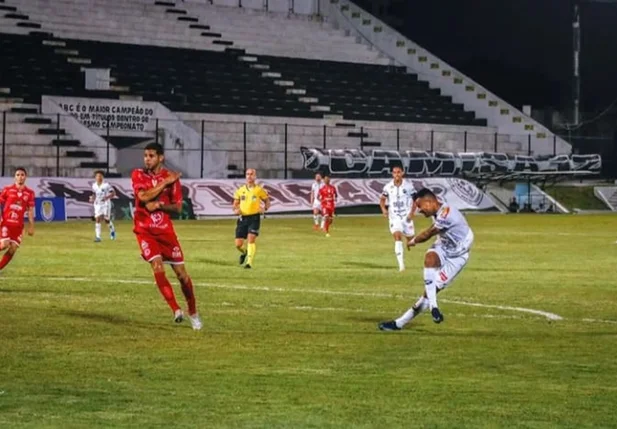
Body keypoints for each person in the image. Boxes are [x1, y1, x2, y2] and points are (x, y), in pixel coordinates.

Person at [379, 188, 474, 330]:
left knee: (428, 293)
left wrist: (413, 240)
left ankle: (400, 322)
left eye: (420, 206)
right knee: (429, 258)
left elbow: (429, 233)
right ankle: (433, 307)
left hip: (458, 256)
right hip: (444, 245)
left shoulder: (446, 214)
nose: (419, 210)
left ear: (429, 202)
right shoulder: (438, 211)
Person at [131, 143, 202, 330]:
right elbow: (144, 197)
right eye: (145, 155)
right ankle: (176, 309)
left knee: (182, 275)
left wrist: (161, 206)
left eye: (151, 155)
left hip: (165, 232)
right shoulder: (138, 174)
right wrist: (165, 184)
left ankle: (193, 312)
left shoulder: (172, 179)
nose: (147, 159)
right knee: (157, 265)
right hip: (144, 230)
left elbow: (178, 208)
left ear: (161, 158)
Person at [379, 165, 416, 272]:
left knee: (411, 241)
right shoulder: (388, 187)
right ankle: (401, 266)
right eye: (394, 172)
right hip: (394, 216)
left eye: (398, 172)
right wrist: (384, 209)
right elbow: (382, 200)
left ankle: (408, 240)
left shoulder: (409, 187)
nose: (397, 175)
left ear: (402, 173)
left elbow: (416, 200)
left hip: (406, 216)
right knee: (397, 236)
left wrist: (412, 213)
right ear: (392, 174)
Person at [233, 168, 270, 269]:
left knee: (251, 239)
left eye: (251, 174)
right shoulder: (240, 190)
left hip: (254, 218)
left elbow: (267, 200)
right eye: (247, 174)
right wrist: (236, 210)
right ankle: (244, 252)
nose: (249, 176)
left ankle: (249, 263)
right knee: (238, 244)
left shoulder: (259, 190)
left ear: (255, 176)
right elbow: (235, 204)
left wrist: (265, 208)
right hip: (242, 219)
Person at [0, 167, 35, 273]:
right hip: (6, 223)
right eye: (18, 175)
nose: (20, 177)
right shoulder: (7, 189)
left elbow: (30, 210)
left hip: (18, 226)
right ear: (15, 177)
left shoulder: (30, 193)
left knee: (13, 248)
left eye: (22, 175)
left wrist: (31, 226)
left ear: (25, 177)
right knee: (4, 244)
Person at [89, 170, 116, 242]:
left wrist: (106, 198)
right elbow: (94, 194)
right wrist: (92, 198)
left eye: (100, 176)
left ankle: (112, 231)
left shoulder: (106, 185)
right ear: (95, 177)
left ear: (103, 177)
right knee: (97, 219)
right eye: (97, 176)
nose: (98, 177)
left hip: (106, 204)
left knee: (106, 219)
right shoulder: (94, 185)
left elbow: (113, 193)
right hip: (97, 204)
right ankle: (98, 237)